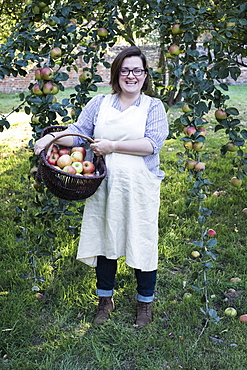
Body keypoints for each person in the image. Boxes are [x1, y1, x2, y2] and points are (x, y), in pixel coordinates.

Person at [34, 46, 169, 327]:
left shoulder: (152, 106)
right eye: (125, 70)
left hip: (139, 187)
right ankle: (104, 301)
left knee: (142, 241)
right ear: (116, 73)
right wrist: (53, 140)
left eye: (138, 71)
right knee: (105, 239)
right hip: (104, 184)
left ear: (145, 76)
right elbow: (80, 135)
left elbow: (151, 145)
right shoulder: (100, 103)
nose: (131, 76)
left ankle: (145, 303)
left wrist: (113, 146)